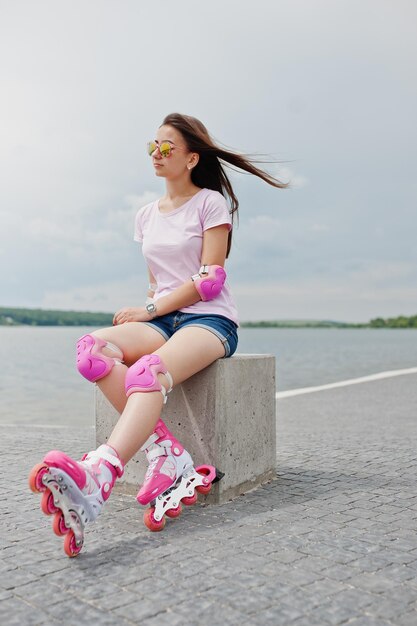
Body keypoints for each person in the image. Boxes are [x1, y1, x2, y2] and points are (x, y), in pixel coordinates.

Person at [29, 113, 287, 556]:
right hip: (164, 320)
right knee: (93, 351)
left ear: (190, 158)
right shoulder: (146, 215)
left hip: (209, 320)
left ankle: (100, 474)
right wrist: (148, 314)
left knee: (147, 373)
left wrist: (147, 310)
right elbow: (157, 282)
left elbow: (210, 280)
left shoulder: (210, 203)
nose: (157, 153)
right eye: (153, 145)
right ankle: (166, 451)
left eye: (167, 146)